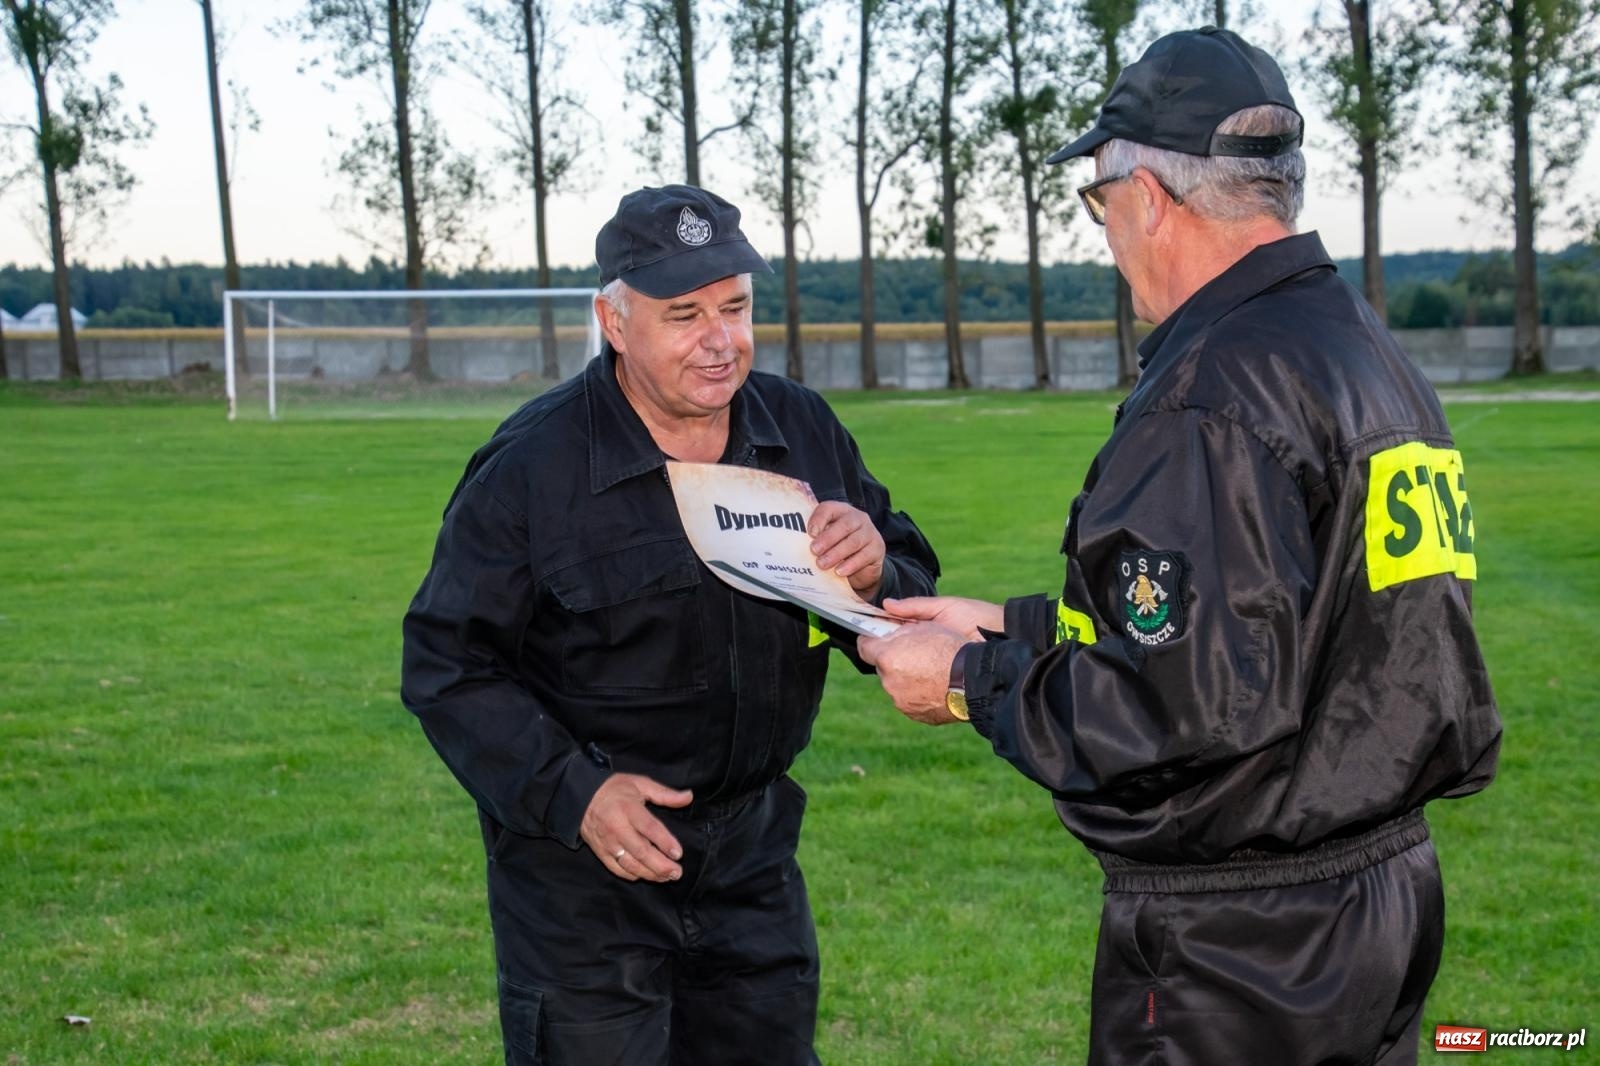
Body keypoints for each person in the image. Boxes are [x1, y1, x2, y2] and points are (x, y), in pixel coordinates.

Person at [858, 27, 1501, 1065]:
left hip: (1243, 947)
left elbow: (1181, 711)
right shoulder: (1362, 353)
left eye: (1100, 208)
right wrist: (1011, 622)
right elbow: (1279, 622)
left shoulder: (1210, 394)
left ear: (1147, 198)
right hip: (1372, 894)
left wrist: (972, 680)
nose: (1107, 240)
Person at [401, 185, 939, 1066]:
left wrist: (878, 564)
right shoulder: (530, 468)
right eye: (683, 314)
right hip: (586, 880)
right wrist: (578, 796)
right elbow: (447, 665)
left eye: (735, 307)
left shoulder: (799, 427)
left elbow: (898, 583)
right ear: (614, 323)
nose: (719, 340)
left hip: (754, 861)